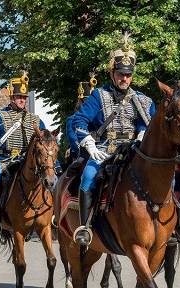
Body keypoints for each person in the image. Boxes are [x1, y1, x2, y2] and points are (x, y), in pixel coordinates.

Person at [70, 34, 155, 245]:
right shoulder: (99, 95)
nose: (124, 79)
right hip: (105, 148)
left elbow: (149, 123)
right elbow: (79, 120)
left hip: (134, 149)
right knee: (88, 176)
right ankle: (85, 227)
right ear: (112, 73)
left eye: (128, 75)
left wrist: (144, 132)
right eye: (120, 74)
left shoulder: (143, 100)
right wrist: (88, 142)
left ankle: (169, 227)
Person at [0, 71, 47, 237]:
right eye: (19, 96)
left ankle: (51, 217)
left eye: (24, 97)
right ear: (11, 97)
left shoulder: (34, 119)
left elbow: (45, 141)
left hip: (26, 162)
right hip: (3, 159)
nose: (22, 100)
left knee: (51, 181)